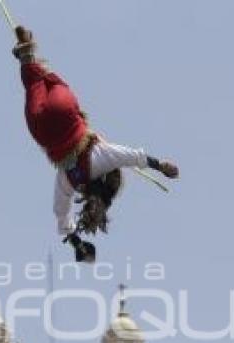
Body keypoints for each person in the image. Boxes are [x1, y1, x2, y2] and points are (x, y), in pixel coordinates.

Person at [12, 26, 179, 263]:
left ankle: (31, 56)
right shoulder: (69, 180)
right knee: (33, 89)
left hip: (66, 110)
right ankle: (26, 58)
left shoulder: (103, 158)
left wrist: (161, 166)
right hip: (42, 130)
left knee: (50, 84)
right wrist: (78, 246)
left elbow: (133, 157)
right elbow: (61, 216)